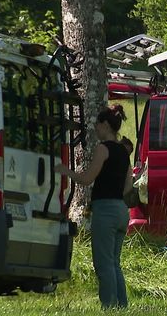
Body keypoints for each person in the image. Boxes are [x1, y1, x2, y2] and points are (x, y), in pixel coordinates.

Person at [55, 104, 132, 309]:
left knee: (103, 263)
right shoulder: (124, 152)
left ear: (105, 125)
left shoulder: (103, 148)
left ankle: (108, 306)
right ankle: (121, 306)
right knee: (114, 263)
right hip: (121, 211)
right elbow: (128, 186)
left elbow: (87, 179)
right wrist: (114, 196)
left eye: (97, 125)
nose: (95, 129)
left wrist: (65, 171)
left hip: (105, 212)